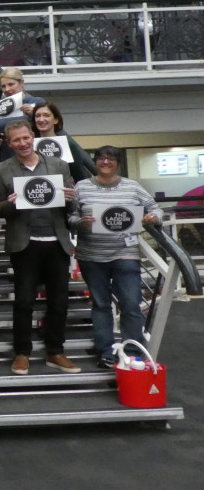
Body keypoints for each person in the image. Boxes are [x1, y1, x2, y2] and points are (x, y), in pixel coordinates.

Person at [0, 120, 81, 376]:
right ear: (9, 144)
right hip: (25, 243)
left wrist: (69, 199)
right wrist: (9, 203)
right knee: (23, 301)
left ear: (32, 136)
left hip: (56, 241)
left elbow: (70, 209)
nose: (22, 143)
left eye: (25, 138)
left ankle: (55, 350)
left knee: (59, 301)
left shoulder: (58, 165)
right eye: (16, 140)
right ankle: (22, 353)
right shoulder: (1, 169)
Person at [70, 146, 162, 368]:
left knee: (130, 303)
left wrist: (153, 217)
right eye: (101, 158)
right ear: (95, 162)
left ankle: (133, 351)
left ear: (118, 163)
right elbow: (70, 217)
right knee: (101, 304)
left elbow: (155, 209)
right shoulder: (81, 187)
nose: (105, 162)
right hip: (91, 255)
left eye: (111, 159)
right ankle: (106, 351)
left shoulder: (132, 187)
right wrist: (79, 223)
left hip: (125, 253)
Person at [33, 101, 96, 182]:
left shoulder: (68, 145)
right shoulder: (29, 146)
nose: (41, 119)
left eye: (46, 115)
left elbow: (79, 176)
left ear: (56, 120)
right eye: (37, 116)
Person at [0, 67, 45, 160]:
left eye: (11, 84)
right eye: (3, 86)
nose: (7, 89)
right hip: (8, 157)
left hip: (33, 156)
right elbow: (1, 132)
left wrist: (34, 115)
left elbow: (49, 127)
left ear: (21, 83)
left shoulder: (37, 102)